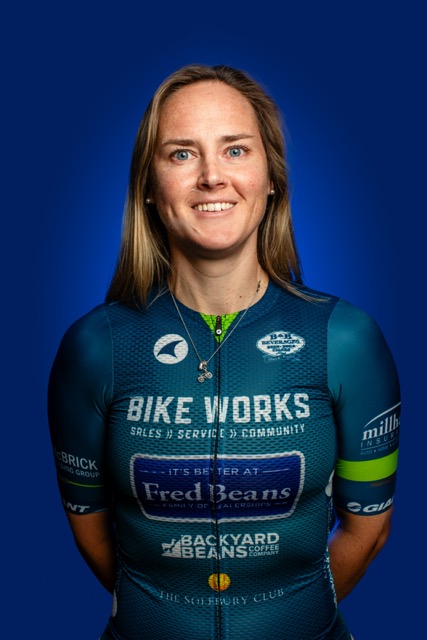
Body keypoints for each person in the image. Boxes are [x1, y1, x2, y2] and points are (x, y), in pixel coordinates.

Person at [48, 64, 400, 640]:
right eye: (182, 154)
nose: (212, 177)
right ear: (149, 186)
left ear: (271, 178)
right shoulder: (94, 347)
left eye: (235, 150)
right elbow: (89, 526)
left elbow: (370, 529)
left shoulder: (346, 339)